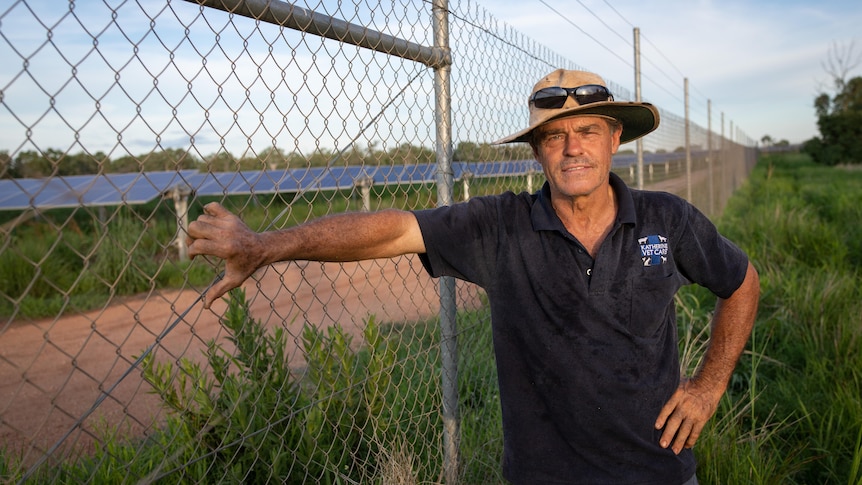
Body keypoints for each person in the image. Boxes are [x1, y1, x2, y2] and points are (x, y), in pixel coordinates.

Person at [187, 69, 759, 484]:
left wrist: (707, 388)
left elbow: (741, 283)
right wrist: (266, 245)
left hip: (658, 472)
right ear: (537, 151)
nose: (572, 149)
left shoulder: (668, 220)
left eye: (587, 132)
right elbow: (390, 229)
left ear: (615, 139)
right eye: (555, 136)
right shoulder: (499, 227)